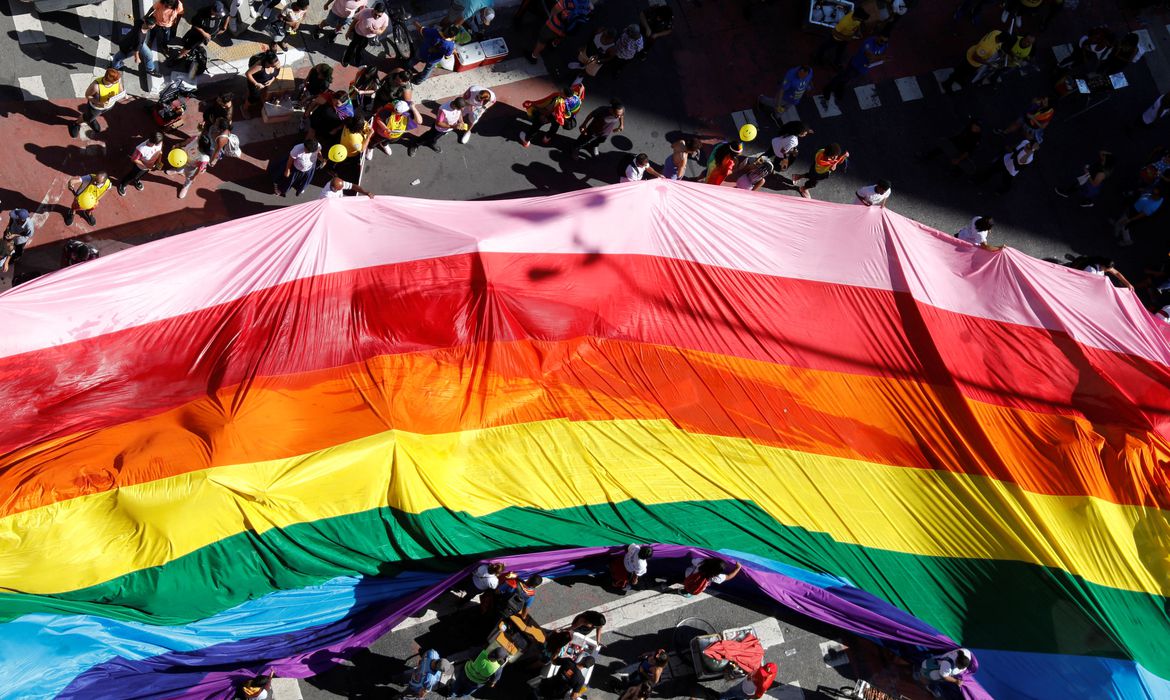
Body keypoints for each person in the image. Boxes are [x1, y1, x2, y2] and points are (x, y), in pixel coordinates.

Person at [821, 34, 888, 106]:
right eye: (882, 40)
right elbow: (869, 56)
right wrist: (881, 58)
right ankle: (828, 89)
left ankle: (839, 88)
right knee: (842, 77)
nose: (883, 43)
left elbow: (878, 55)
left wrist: (881, 59)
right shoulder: (868, 43)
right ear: (877, 37)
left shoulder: (884, 45)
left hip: (863, 68)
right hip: (855, 65)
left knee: (848, 78)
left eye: (885, 42)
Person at [519, 83, 582, 148]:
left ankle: (526, 140)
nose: (560, 91)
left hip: (552, 115)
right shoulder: (576, 99)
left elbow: (547, 111)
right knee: (555, 126)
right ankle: (547, 138)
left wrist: (534, 106)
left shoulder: (558, 101)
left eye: (561, 91)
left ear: (564, 95)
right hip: (561, 118)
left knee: (537, 124)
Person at [916, 117, 982, 175]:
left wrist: (958, 160)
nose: (976, 128)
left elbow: (968, 152)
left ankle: (954, 174)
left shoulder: (976, 139)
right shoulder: (968, 128)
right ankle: (927, 155)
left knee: (964, 164)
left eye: (978, 127)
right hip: (956, 145)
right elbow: (958, 137)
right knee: (941, 148)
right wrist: (947, 142)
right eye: (975, 125)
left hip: (962, 152)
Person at [69, 69, 124, 138]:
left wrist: (122, 94)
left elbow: (120, 87)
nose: (118, 82)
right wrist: (99, 103)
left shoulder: (117, 80)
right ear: (109, 80)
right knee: (87, 117)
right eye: (115, 82)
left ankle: (92, 120)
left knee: (93, 116)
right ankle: (76, 123)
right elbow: (88, 96)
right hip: (96, 107)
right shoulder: (96, 86)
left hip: (109, 105)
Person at [974, 139, 1038, 194]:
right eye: (1029, 143)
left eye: (1029, 145)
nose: (1027, 145)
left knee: (1006, 182)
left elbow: (1021, 160)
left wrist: (1031, 151)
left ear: (1032, 149)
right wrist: (1010, 148)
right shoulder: (1025, 142)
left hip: (1010, 170)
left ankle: (1002, 191)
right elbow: (1016, 146)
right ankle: (981, 179)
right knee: (991, 170)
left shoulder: (1029, 157)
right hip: (1005, 159)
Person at [342, 2, 388, 67]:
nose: (377, 17)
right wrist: (348, 32)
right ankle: (346, 57)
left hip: (369, 37)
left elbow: (382, 30)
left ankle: (357, 56)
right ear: (373, 9)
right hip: (358, 33)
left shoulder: (385, 18)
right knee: (352, 46)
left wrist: (376, 31)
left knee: (361, 48)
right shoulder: (365, 12)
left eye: (379, 16)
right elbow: (354, 21)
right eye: (375, 14)